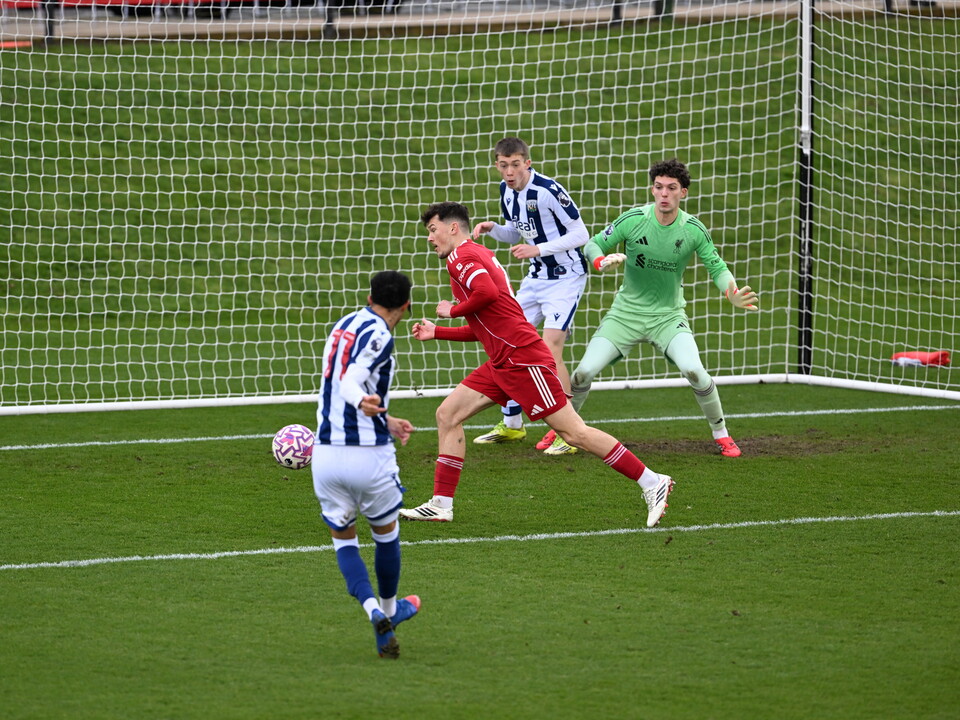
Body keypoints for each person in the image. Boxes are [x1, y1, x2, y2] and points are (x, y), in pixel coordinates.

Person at [398, 202, 674, 527]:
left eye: (433, 230)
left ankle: (652, 481)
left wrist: (452, 312)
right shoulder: (477, 255)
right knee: (448, 414)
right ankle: (441, 504)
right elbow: (487, 326)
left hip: (523, 359)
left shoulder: (463, 258)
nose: (431, 238)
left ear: (453, 228)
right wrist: (438, 332)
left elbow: (484, 293)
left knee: (574, 433)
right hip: (503, 360)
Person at [570, 158, 759, 458]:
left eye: (671, 188)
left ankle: (721, 434)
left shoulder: (693, 230)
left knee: (695, 370)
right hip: (626, 314)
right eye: (659, 187)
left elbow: (717, 266)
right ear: (652, 189)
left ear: (683, 193)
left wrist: (731, 292)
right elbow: (593, 244)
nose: (664, 194)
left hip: (668, 317)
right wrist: (599, 260)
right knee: (582, 373)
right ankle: (564, 432)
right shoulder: (633, 220)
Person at [312, 270, 420, 659]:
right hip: (367, 457)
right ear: (406, 305)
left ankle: (372, 612)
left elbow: (339, 381)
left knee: (344, 539)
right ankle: (391, 610)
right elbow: (352, 382)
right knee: (386, 533)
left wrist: (384, 418)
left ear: (369, 295)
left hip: (324, 455)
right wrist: (362, 402)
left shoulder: (344, 324)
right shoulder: (379, 334)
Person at [471, 137, 589, 456]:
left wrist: (538, 249)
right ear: (496, 164)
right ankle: (512, 423)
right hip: (536, 278)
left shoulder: (549, 190)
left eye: (515, 164)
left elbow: (581, 234)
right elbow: (516, 231)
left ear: (527, 162)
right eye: (502, 165)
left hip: (566, 278)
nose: (509, 171)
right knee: (505, 340)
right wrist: (492, 227)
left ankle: (570, 431)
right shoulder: (505, 191)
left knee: (550, 347)